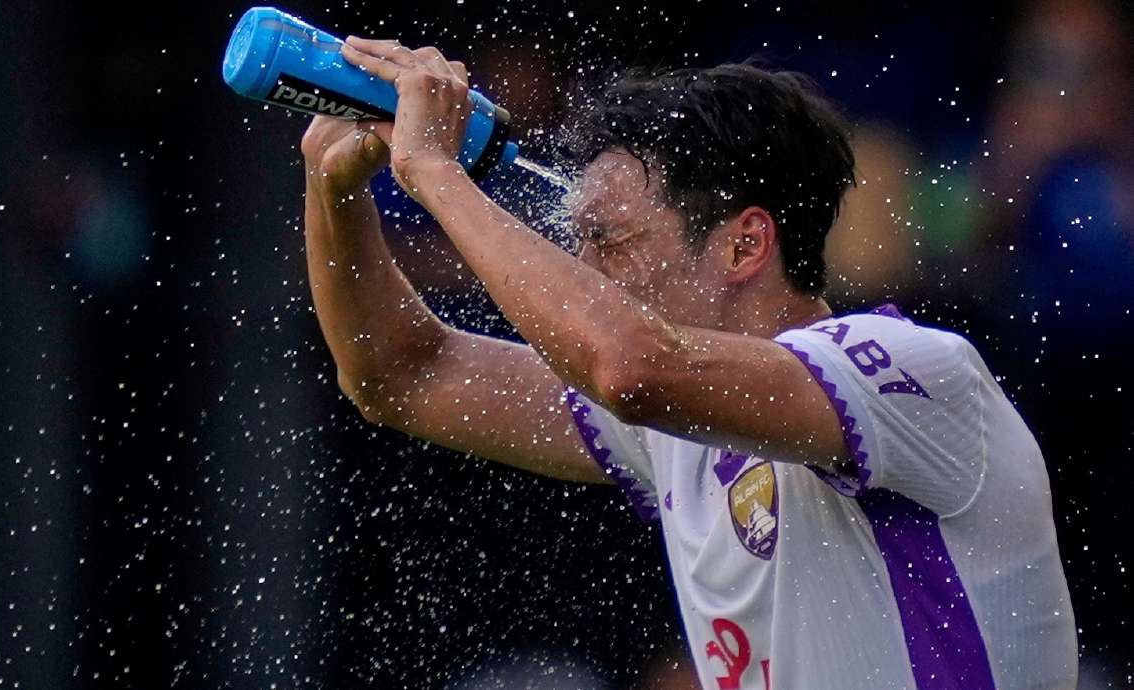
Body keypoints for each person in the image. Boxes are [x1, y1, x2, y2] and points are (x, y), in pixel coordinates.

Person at [300, 36, 1078, 689]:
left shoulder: (914, 370)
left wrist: (435, 172)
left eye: (611, 240)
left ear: (744, 244)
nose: (583, 273)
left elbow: (629, 367)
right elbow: (405, 374)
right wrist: (334, 189)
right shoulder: (681, 418)